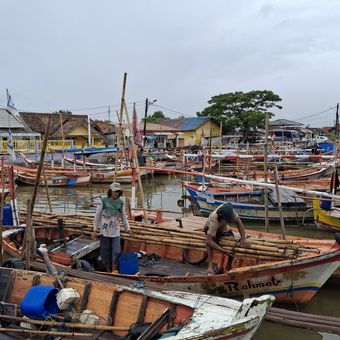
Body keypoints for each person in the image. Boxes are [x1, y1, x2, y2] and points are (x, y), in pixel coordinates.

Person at [92, 182, 133, 272]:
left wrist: (128, 229)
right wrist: (95, 230)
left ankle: (114, 269)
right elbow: (97, 216)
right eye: (115, 191)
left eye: (118, 192)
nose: (116, 193)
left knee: (117, 251)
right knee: (105, 252)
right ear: (110, 191)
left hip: (115, 231)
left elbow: (124, 217)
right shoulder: (103, 201)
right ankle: (107, 270)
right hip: (104, 230)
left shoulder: (120, 203)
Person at [204, 203, 249, 275]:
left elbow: (239, 222)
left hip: (224, 228)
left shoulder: (230, 211)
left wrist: (243, 238)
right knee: (210, 244)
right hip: (210, 228)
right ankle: (210, 266)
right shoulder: (214, 220)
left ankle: (228, 265)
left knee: (232, 243)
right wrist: (224, 251)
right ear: (222, 218)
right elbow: (208, 241)